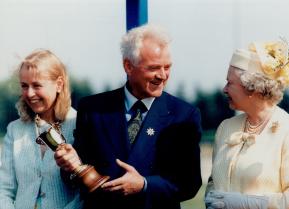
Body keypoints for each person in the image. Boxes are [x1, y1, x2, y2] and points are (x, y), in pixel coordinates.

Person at [54, 24, 202, 209]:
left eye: (167, 67)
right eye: (154, 68)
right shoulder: (93, 109)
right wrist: (70, 167)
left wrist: (144, 184)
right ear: (128, 66)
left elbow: (190, 184)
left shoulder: (184, 115)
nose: (163, 75)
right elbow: (73, 179)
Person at [205, 40, 289, 209]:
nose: (225, 89)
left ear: (252, 89)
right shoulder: (225, 128)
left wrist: (244, 204)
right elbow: (213, 185)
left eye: (230, 83)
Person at [0, 49, 82, 209]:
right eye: (24, 86)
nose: (29, 93)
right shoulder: (14, 129)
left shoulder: (81, 124)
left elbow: (85, 193)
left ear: (59, 84)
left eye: (37, 85)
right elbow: (4, 189)